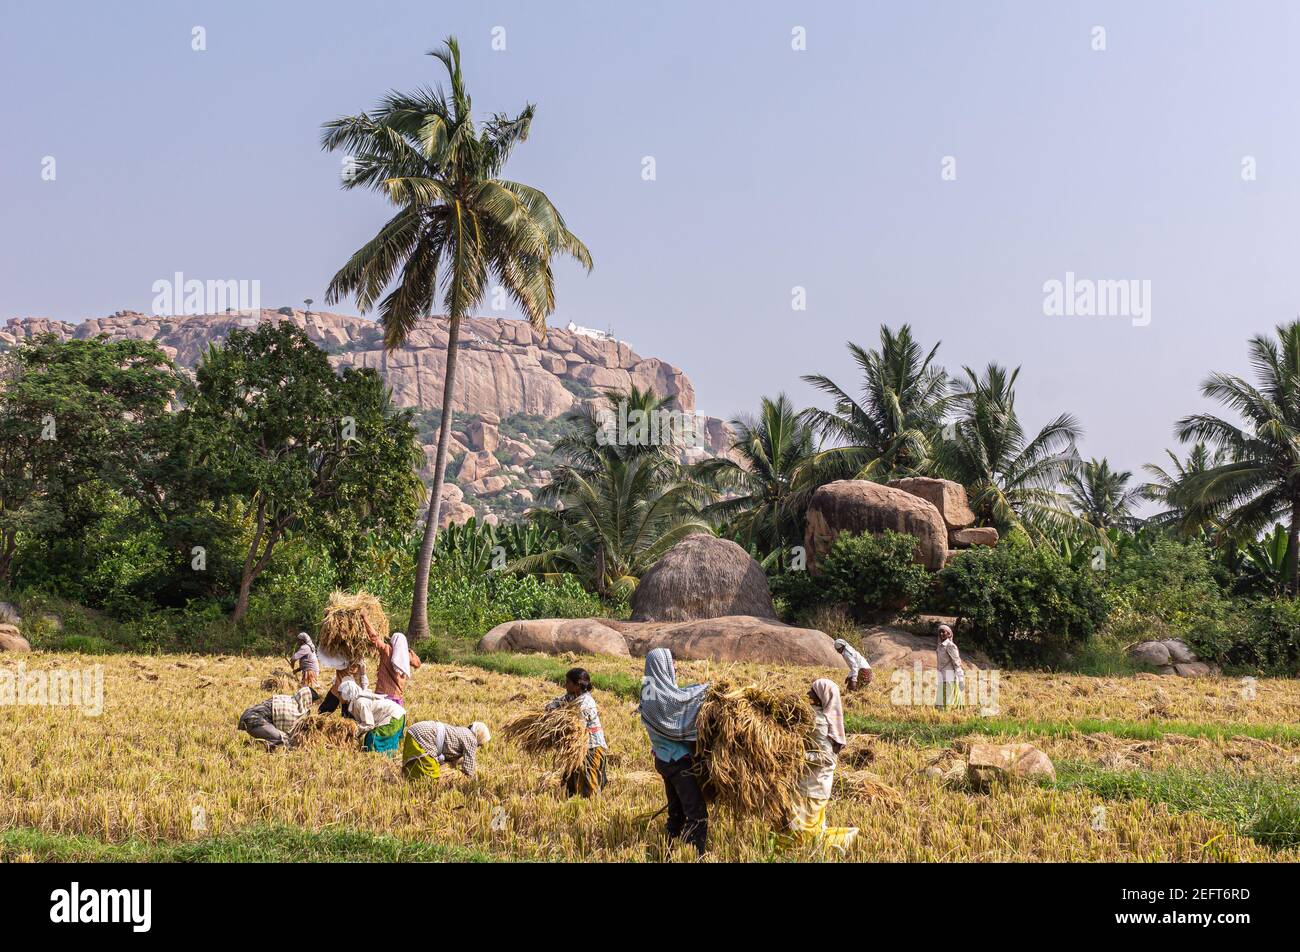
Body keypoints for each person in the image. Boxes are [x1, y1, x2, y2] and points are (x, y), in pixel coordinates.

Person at [639, 648, 709, 855]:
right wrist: (707, 690)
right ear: (663, 666)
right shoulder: (663, 699)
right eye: (671, 663)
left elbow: (678, 696)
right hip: (679, 763)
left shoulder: (649, 689)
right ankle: (695, 854)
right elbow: (680, 703)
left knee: (676, 812)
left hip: (664, 761)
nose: (674, 667)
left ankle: (666, 851)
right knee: (697, 814)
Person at [788, 678, 858, 851]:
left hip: (812, 786)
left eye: (812, 690)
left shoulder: (820, 722)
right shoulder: (820, 716)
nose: (808, 693)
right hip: (814, 783)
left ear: (821, 695)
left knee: (803, 832)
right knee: (809, 828)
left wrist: (798, 755)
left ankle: (839, 843)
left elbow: (826, 757)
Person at [545, 667, 608, 797]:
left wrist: (557, 722)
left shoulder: (587, 702)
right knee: (571, 782)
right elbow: (552, 705)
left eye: (568, 682)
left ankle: (589, 810)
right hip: (576, 746)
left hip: (591, 746)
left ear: (577, 685)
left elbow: (576, 723)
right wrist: (551, 710)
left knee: (588, 784)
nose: (565, 685)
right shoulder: (571, 697)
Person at [237, 683, 318, 751]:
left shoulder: (287, 698)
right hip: (253, 720)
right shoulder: (291, 710)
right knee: (283, 740)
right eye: (311, 703)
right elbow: (289, 733)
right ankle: (257, 748)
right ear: (307, 700)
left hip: (248, 715)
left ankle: (258, 742)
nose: (311, 706)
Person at [402, 720, 491, 780]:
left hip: (415, 730)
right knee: (432, 775)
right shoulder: (471, 739)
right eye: (480, 744)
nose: (478, 746)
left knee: (416, 763)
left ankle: (410, 780)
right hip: (425, 734)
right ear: (479, 738)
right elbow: (469, 768)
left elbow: (452, 754)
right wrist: (470, 779)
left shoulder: (463, 732)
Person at [338, 679, 406, 755]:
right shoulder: (354, 702)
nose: (338, 696)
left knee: (373, 739)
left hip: (393, 717)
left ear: (346, 694)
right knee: (386, 742)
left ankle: (378, 758)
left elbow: (369, 724)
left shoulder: (360, 703)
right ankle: (387, 758)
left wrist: (354, 732)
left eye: (340, 694)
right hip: (398, 716)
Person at [363, 617, 421, 703]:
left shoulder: (387, 650)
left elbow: (374, 637)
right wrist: (407, 651)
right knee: (395, 716)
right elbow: (418, 664)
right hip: (397, 698)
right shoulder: (407, 656)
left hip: (382, 697)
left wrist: (365, 618)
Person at [936, 624, 965, 708]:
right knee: (942, 701)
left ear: (949, 634)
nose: (941, 634)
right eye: (940, 632)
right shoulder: (940, 646)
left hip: (950, 677)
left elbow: (957, 663)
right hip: (942, 676)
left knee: (949, 701)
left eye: (943, 632)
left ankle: (952, 717)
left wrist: (961, 679)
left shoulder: (950, 646)